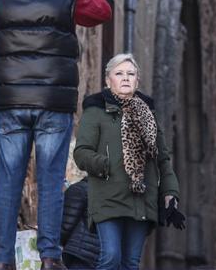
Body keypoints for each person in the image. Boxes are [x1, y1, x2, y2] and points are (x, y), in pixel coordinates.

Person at [0, 0, 112, 270]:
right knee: (51, 181)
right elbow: (100, 12)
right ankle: (50, 257)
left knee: (9, 180)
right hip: (53, 101)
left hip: (11, 103)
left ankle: (2, 259)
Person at [73, 53, 181, 270]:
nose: (125, 78)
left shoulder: (148, 115)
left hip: (142, 199)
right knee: (110, 257)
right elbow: (82, 152)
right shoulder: (95, 112)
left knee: (130, 264)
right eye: (119, 73)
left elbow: (163, 159)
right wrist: (106, 165)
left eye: (130, 74)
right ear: (107, 80)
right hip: (107, 196)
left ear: (137, 81)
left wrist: (171, 193)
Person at [61, 177, 101, 269]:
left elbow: (65, 227)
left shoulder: (78, 189)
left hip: (80, 255)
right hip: (101, 257)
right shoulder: (110, 194)